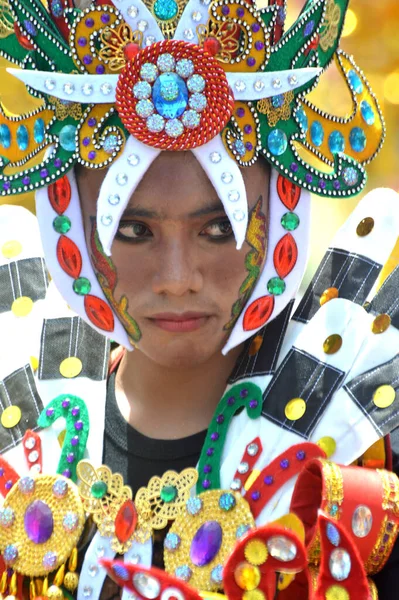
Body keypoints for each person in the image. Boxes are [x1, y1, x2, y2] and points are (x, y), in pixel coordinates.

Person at [0, 0, 398, 598]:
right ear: (72, 227)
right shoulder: (18, 445)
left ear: (281, 211)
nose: (178, 278)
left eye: (218, 228)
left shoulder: (353, 452)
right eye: (134, 230)